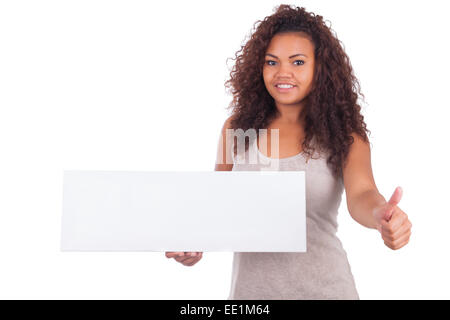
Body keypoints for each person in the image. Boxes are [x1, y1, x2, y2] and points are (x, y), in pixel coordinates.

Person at [166, 4, 412, 299]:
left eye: (297, 62)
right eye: (272, 62)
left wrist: (381, 214)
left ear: (319, 68)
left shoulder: (344, 134)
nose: (283, 73)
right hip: (251, 297)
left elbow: (362, 194)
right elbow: (219, 205)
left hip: (326, 291)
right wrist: (195, 242)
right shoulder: (236, 129)